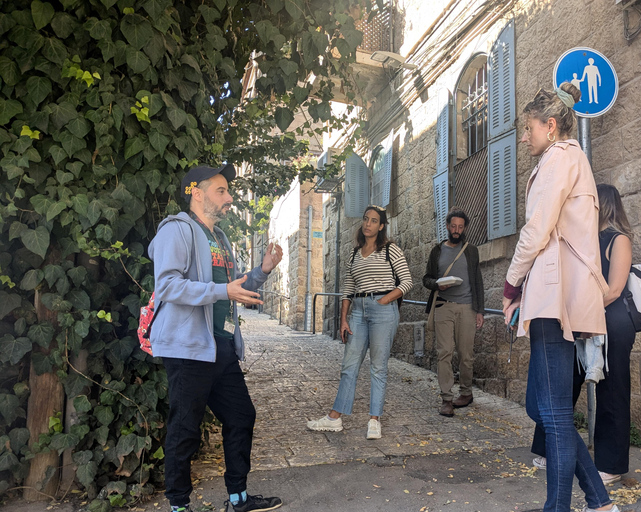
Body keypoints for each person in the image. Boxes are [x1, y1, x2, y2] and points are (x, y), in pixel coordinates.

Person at [501, 84, 618, 512]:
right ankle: (600, 501)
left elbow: (537, 230)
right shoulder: (570, 159)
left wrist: (511, 284)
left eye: (527, 129)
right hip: (558, 297)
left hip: (556, 297)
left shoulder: (560, 157)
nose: (523, 138)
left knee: (551, 414)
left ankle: (558, 508)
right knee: (546, 408)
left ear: (550, 126)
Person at [148, 164, 284, 512]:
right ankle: (179, 506)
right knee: (185, 430)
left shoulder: (220, 239)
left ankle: (238, 498)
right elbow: (167, 285)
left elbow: (234, 288)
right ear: (197, 192)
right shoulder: (176, 231)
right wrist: (223, 289)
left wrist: (263, 270)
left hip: (221, 348)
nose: (229, 197)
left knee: (241, 417)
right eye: (222, 190)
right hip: (189, 348)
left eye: (228, 191)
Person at [530, 184, 635, 486]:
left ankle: (611, 464)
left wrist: (578, 310)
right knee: (561, 384)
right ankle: (549, 449)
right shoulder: (583, 241)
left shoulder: (619, 240)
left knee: (612, 392)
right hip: (579, 320)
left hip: (610, 324)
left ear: (601, 205)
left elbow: (614, 289)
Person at [307, 205, 412, 439]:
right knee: (349, 366)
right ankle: (335, 418)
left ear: (381, 226)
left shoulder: (390, 250)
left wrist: (383, 301)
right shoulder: (354, 254)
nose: (368, 224)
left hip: (383, 311)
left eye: (374, 221)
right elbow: (347, 288)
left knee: (378, 367)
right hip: (357, 312)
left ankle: (374, 420)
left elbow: (406, 282)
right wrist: (344, 319)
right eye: (366, 219)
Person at [422, 209, 485, 417]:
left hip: (467, 307)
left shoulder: (471, 251)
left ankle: (466, 393)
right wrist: (438, 285)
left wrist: (480, 311)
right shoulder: (437, 251)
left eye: (460, 227)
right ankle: (446, 398)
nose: (456, 230)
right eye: (453, 226)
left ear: (464, 228)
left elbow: (477, 281)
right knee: (444, 353)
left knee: (466, 355)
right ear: (448, 227)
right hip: (443, 306)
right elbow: (427, 279)